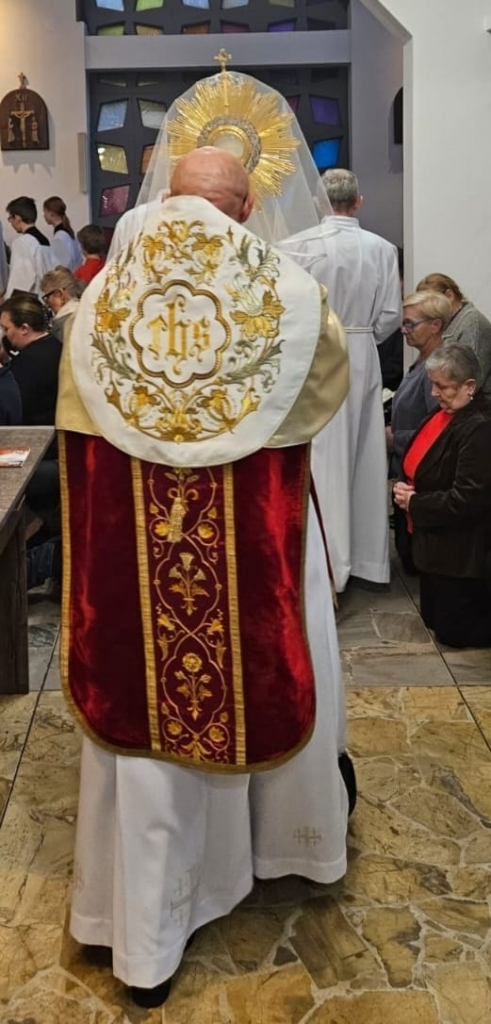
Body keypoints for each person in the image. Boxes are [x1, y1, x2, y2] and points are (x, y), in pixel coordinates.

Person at [58, 142, 351, 1008]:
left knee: (147, 731)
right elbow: (320, 392)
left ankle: (145, 927)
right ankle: (281, 847)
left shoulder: (101, 300)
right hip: (252, 549)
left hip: (132, 562)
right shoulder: (287, 292)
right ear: (246, 209)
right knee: (263, 674)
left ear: (163, 199)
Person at [281, 168, 402, 591]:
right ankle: (366, 559)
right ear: (359, 201)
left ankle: (324, 562)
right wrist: (363, 336)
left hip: (316, 355)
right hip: (362, 351)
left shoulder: (296, 246)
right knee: (364, 452)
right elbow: (391, 316)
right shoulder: (382, 248)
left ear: (319, 202)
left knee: (322, 455)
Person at [394, 344, 491, 647]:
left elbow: (468, 498)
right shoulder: (446, 411)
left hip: (461, 551)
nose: (434, 393)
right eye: (432, 384)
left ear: (469, 386)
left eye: (442, 386)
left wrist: (414, 501)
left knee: (453, 632)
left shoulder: (479, 426)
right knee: (433, 619)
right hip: (434, 544)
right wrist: (404, 486)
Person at [387, 290, 452, 573]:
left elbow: (439, 431)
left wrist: (394, 438)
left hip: (421, 482)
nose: (404, 330)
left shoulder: (436, 371)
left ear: (435, 325)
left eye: (410, 323)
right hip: (409, 476)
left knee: (414, 559)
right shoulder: (421, 363)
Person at [417, 272, 491, 398]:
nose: (427, 311)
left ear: (449, 296)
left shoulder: (472, 324)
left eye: (432, 304)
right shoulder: (448, 323)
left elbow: (470, 378)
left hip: (475, 405)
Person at [4, 196, 53, 298]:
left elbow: (20, 281)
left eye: (10, 219)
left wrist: (8, 301)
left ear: (17, 218)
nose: (11, 223)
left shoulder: (22, 242)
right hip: (45, 298)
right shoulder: (44, 240)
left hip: (28, 302)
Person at [40, 265, 83, 342]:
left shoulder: (61, 325)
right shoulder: (87, 312)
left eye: (47, 297)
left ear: (60, 294)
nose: (47, 304)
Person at [43, 196, 82, 272]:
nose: (44, 215)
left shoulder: (59, 237)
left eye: (45, 212)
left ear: (51, 213)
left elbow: (60, 266)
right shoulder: (68, 232)